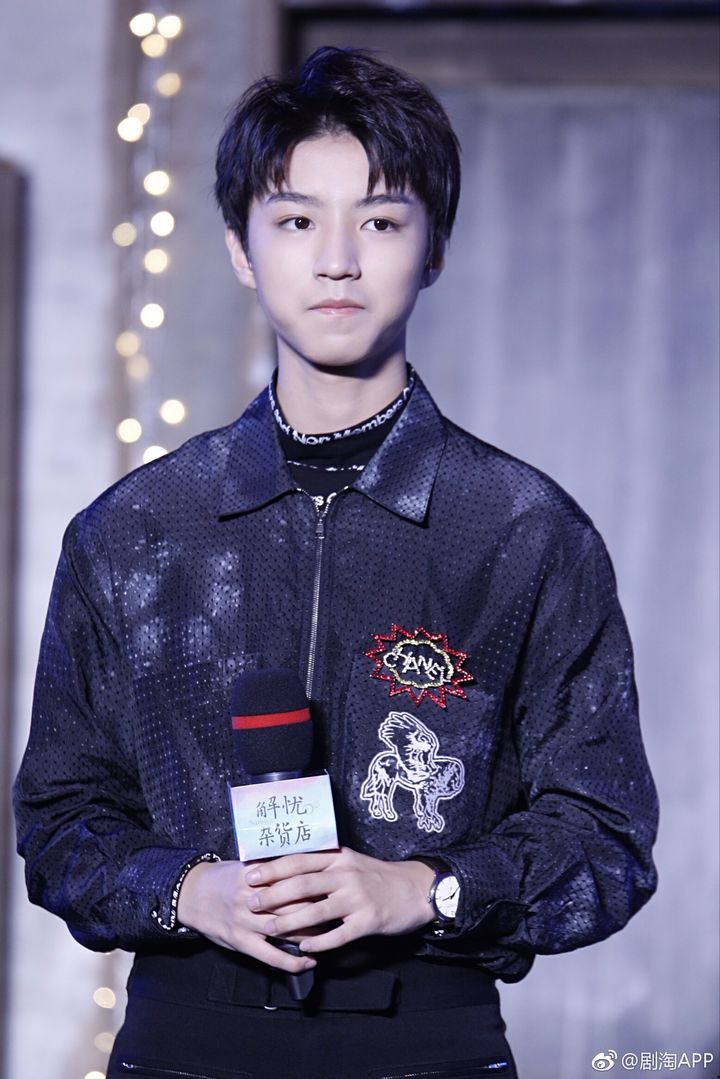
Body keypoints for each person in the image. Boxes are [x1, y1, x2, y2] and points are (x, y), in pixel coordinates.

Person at [14, 46, 658, 1079]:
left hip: (429, 1042)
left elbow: (607, 837)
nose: (338, 261)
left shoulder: (525, 530)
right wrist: (193, 891)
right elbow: (58, 818)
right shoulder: (135, 530)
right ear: (241, 246)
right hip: (183, 1040)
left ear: (434, 247)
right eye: (297, 221)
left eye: (382, 221)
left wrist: (427, 888)